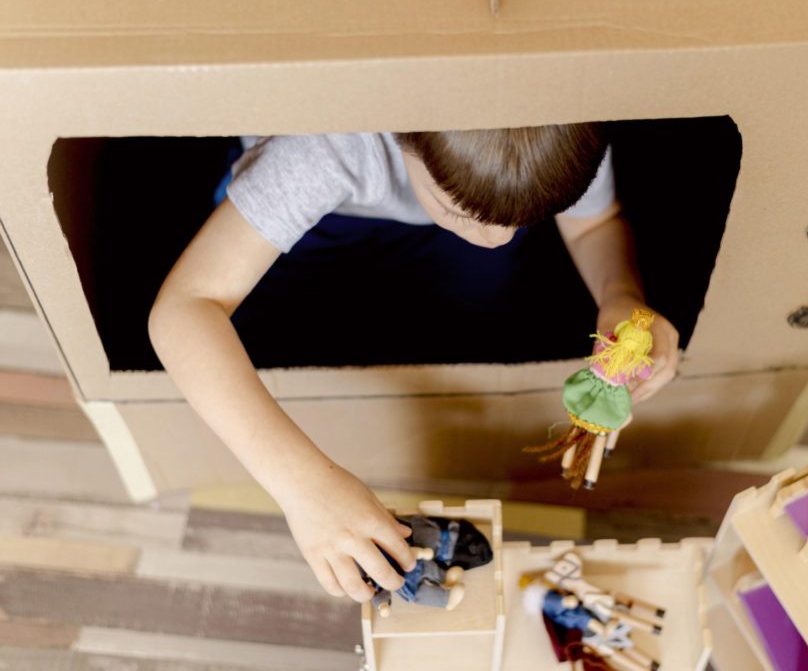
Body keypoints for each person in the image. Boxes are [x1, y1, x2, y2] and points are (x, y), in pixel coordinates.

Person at [147, 124, 680, 602]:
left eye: (525, 221)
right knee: (278, 325)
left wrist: (620, 293)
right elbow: (184, 309)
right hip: (320, 223)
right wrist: (304, 488)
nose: (497, 238)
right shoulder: (324, 146)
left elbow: (591, 225)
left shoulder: (565, 131)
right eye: (464, 214)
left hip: (438, 213)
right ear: (406, 136)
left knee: (489, 296)